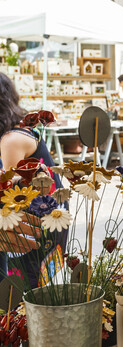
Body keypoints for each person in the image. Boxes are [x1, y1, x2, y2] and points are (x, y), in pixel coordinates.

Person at [0, 73, 66, 288]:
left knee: (18, 292)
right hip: (39, 221)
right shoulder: (20, 130)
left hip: (34, 226)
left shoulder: (11, 140)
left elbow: (8, 196)